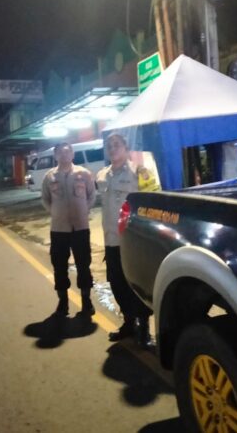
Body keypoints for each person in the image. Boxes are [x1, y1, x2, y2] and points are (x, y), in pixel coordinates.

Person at [96, 133, 158, 347]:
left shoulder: (140, 172)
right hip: (111, 240)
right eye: (109, 146)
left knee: (137, 284)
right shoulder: (102, 175)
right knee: (117, 283)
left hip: (132, 240)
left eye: (116, 145)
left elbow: (153, 201)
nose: (112, 149)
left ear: (126, 148)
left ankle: (144, 328)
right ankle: (129, 323)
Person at [41, 141, 97, 317]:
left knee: (83, 264)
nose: (64, 155)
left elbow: (92, 195)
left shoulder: (84, 174)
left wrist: (84, 209)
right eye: (60, 152)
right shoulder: (49, 177)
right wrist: (54, 212)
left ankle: (86, 301)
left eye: (67, 152)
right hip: (59, 229)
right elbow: (45, 198)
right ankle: (63, 302)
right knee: (59, 265)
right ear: (55, 155)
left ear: (72, 154)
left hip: (80, 227)